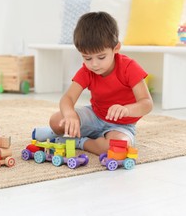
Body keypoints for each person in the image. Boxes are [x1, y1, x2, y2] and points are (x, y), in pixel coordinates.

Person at [32, 11, 153, 155]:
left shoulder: (129, 67)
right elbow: (68, 98)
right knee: (56, 120)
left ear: (116, 48)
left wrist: (127, 110)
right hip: (94, 115)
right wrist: (70, 114)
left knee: (117, 147)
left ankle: (77, 141)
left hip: (122, 125)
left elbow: (147, 103)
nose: (94, 64)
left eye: (101, 57)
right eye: (87, 58)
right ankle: (58, 133)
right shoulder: (87, 71)